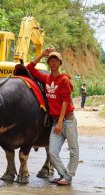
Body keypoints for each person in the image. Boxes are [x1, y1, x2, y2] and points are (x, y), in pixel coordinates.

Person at [26, 48, 79, 185]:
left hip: (67, 120)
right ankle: (64, 176)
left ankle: (67, 177)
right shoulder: (46, 79)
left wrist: (61, 122)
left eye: (56, 60)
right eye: (51, 60)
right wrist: (42, 55)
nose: (54, 62)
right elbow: (29, 68)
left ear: (60, 63)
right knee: (53, 152)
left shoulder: (64, 80)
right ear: (48, 63)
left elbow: (66, 102)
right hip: (57, 122)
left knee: (73, 150)